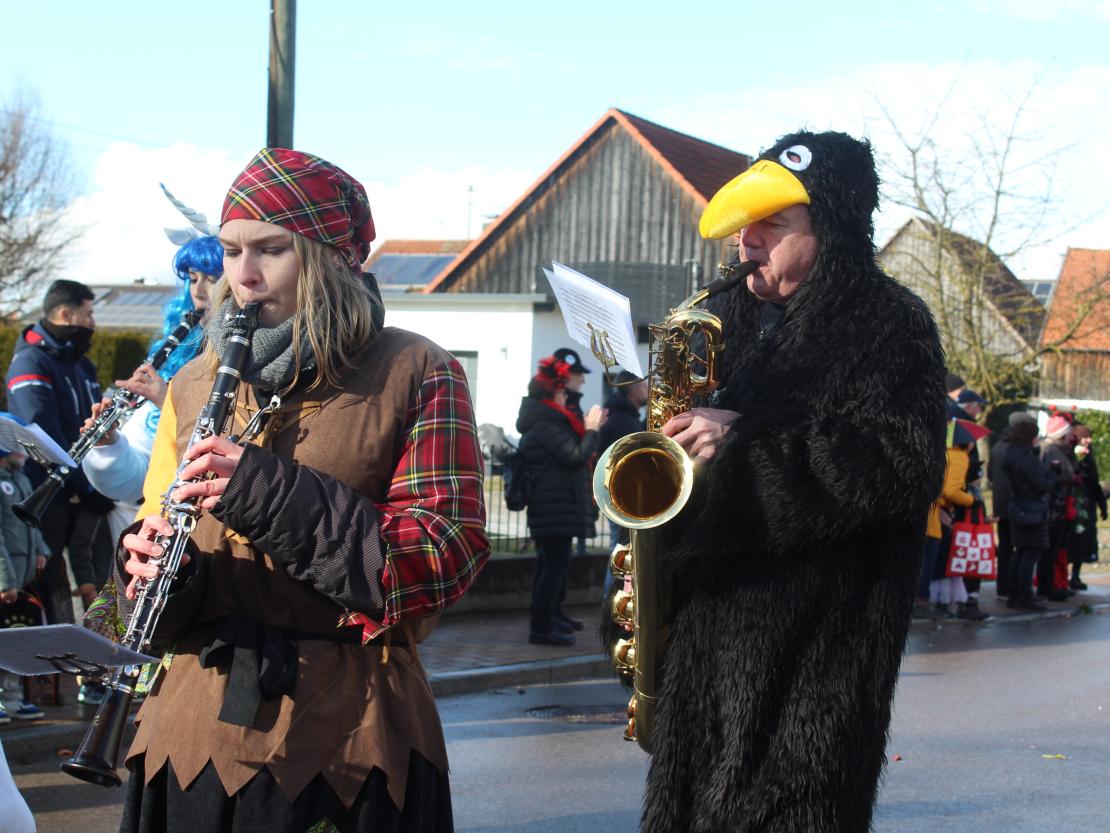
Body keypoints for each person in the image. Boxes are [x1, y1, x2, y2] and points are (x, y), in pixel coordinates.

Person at [109, 148, 489, 831]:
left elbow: (444, 552)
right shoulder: (196, 381)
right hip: (191, 733)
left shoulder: (416, 369)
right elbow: (157, 517)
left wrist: (263, 491)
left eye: (271, 249)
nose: (243, 275)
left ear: (329, 256)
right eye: (229, 251)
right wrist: (147, 566)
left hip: (349, 739)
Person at [639, 131, 946, 833]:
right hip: (703, 659)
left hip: (816, 666)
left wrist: (742, 443)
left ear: (830, 231)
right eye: (746, 225)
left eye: (771, 225)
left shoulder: (893, 323)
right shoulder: (719, 320)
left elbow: (901, 466)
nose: (747, 241)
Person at [82, 235, 220, 542]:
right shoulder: (175, 361)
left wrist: (169, 404)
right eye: (193, 279)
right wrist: (110, 445)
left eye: (212, 279)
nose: (198, 292)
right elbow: (136, 482)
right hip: (162, 530)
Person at [5, 280, 114, 622]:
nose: (93, 323)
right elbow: (42, 432)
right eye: (88, 314)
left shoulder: (81, 364)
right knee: (51, 587)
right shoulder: (30, 361)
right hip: (48, 494)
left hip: (85, 489)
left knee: (97, 575)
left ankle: (98, 651)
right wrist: (83, 485)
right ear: (66, 314)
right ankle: (50, 663)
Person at [516, 356, 605, 646]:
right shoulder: (545, 422)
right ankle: (541, 627)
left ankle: (550, 618)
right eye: (562, 391)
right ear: (552, 392)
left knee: (552, 566)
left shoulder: (546, 419)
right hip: (553, 507)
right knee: (552, 569)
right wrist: (592, 430)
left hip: (556, 506)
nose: (567, 395)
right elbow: (574, 456)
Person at [0, 425, 50, 723]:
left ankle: (13, 696)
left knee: (15, 635)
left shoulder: (21, 480)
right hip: (7, 576)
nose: (24, 453)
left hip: (24, 573)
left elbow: (32, 521)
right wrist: (4, 579)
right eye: (17, 446)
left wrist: (41, 549)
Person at [1002, 417, 1055, 610]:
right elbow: (1041, 485)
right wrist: (1052, 474)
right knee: (1030, 553)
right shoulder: (1027, 459)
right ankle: (1025, 596)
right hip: (1032, 510)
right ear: (1031, 437)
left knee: (1019, 552)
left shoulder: (1011, 455)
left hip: (1017, 507)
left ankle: (1014, 595)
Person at [988, 411, 1039, 599]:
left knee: (1005, 549)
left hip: (1000, 504)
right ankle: (1015, 589)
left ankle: (1003, 588)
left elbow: (991, 476)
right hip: (1018, 505)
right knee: (1021, 549)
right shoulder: (1018, 450)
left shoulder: (997, 446)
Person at [598, 370, 647, 549]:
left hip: (621, 496)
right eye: (643, 385)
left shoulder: (623, 418)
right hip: (624, 498)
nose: (648, 389)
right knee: (622, 549)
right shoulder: (623, 422)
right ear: (633, 390)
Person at [1039, 412, 1077, 601]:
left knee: (1052, 549)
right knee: (1050, 549)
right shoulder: (1052, 451)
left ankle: (1049, 584)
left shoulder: (1051, 449)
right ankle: (1046, 586)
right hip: (1054, 508)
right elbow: (1065, 474)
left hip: (1055, 507)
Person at [1070, 422, 1108, 587]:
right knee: (1070, 541)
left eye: (1089, 437)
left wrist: (1101, 503)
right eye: (1085, 437)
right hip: (1074, 503)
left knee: (1083, 542)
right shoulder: (1070, 455)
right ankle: (1061, 578)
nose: (1088, 440)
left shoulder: (1088, 456)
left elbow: (1093, 483)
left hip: (1086, 504)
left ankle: (1076, 576)